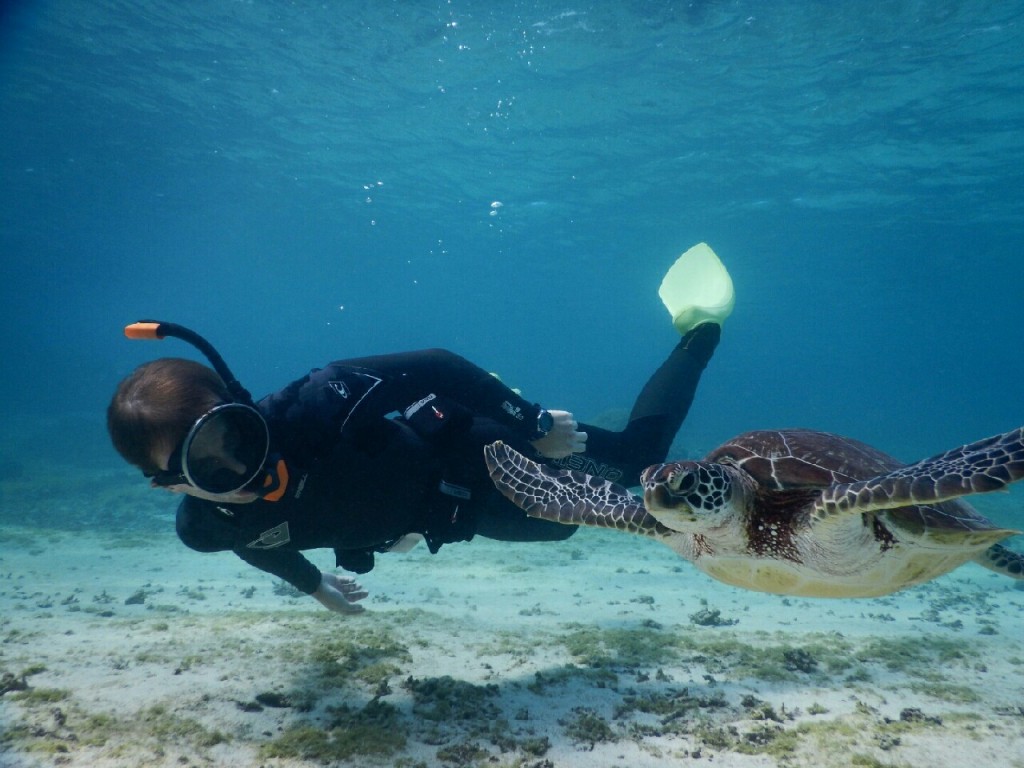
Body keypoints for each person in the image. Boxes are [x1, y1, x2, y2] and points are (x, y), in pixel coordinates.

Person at [107, 243, 734, 615]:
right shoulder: (205, 528)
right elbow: (251, 540)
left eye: (237, 436)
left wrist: (533, 423)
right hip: (446, 516)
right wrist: (314, 584)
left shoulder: (311, 406)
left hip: (470, 448)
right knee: (562, 531)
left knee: (636, 462)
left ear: (241, 404)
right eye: (210, 468)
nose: (244, 470)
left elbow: (433, 363)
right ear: (168, 485)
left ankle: (700, 325)